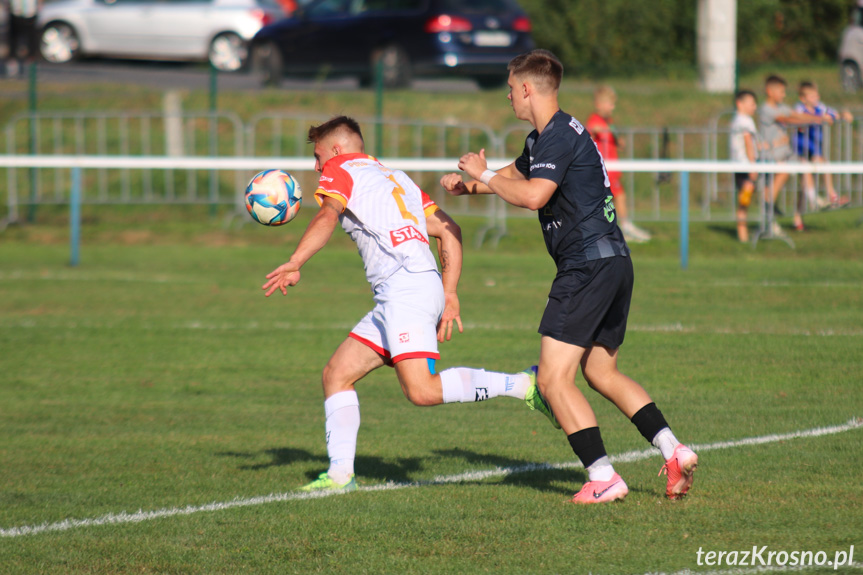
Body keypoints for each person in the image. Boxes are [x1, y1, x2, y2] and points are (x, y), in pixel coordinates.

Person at [440, 49, 697, 503]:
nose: (507, 95)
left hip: (585, 265)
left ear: (526, 88)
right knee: (601, 371)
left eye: (509, 87)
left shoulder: (557, 135)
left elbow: (535, 195)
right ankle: (673, 450)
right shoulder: (548, 137)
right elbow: (513, 175)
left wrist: (485, 175)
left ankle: (603, 477)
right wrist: (471, 184)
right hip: (614, 260)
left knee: (552, 380)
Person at [263, 116, 548, 492]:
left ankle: (523, 384)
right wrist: (448, 292)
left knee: (421, 391)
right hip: (409, 290)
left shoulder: (340, 168)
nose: (317, 167)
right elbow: (450, 229)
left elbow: (327, 214)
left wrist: (296, 261)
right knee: (336, 375)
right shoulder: (395, 176)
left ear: (336, 150)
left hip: (405, 291)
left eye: (318, 156)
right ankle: (339, 476)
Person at [585, 85, 651, 243]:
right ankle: (625, 227)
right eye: (610, 104)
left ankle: (613, 228)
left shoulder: (610, 121)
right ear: (599, 104)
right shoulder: (595, 120)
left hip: (612, 167)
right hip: (604, 168)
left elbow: (613, 136)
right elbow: (591, 129)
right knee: (618, 196)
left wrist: (618, 141)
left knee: (610, 199)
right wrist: (598, 130)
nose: (613, 107)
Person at [758, 75, 824, 234]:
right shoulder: (766, 109)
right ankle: (769, 212)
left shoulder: (780, 106)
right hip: (772, 156)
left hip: (785, 154)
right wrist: (811, 121)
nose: (784, 95)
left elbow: (796, 114)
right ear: (770, 91)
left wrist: (818, 117)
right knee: (776, 183)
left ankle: (813, 198)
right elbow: (786, 119)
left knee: (804, 165)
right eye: (781, 91)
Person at [792, 81, 852, 229]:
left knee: (821, 165)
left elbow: (834, 114)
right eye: (812, 96)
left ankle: (831, 195)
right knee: (806, 176)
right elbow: (799, 119)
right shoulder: (799, 108)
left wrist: (844, 114)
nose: (816, 98)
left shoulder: (820, 107)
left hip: (814, 149)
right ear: (803, 98)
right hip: (799, 149)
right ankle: (814, 202)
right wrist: (819, 119)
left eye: (817, 94)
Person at [729, 89, 760, 243]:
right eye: (752, 103)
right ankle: (743, 235)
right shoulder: (745, 121)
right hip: (746, 165)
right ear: (740, 104)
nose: (755, 107)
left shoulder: (736, 120)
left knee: (744, 200)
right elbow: (748, 143)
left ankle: (743, 234)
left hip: (738, 165)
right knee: (744, 201)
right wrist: (753, 166)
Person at [7, 0, 40, 78]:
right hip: (16, 11)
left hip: (30, 11)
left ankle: (31, 66)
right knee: (14, 39)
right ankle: (12, 64)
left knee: (32, 39)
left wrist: (39, 4)